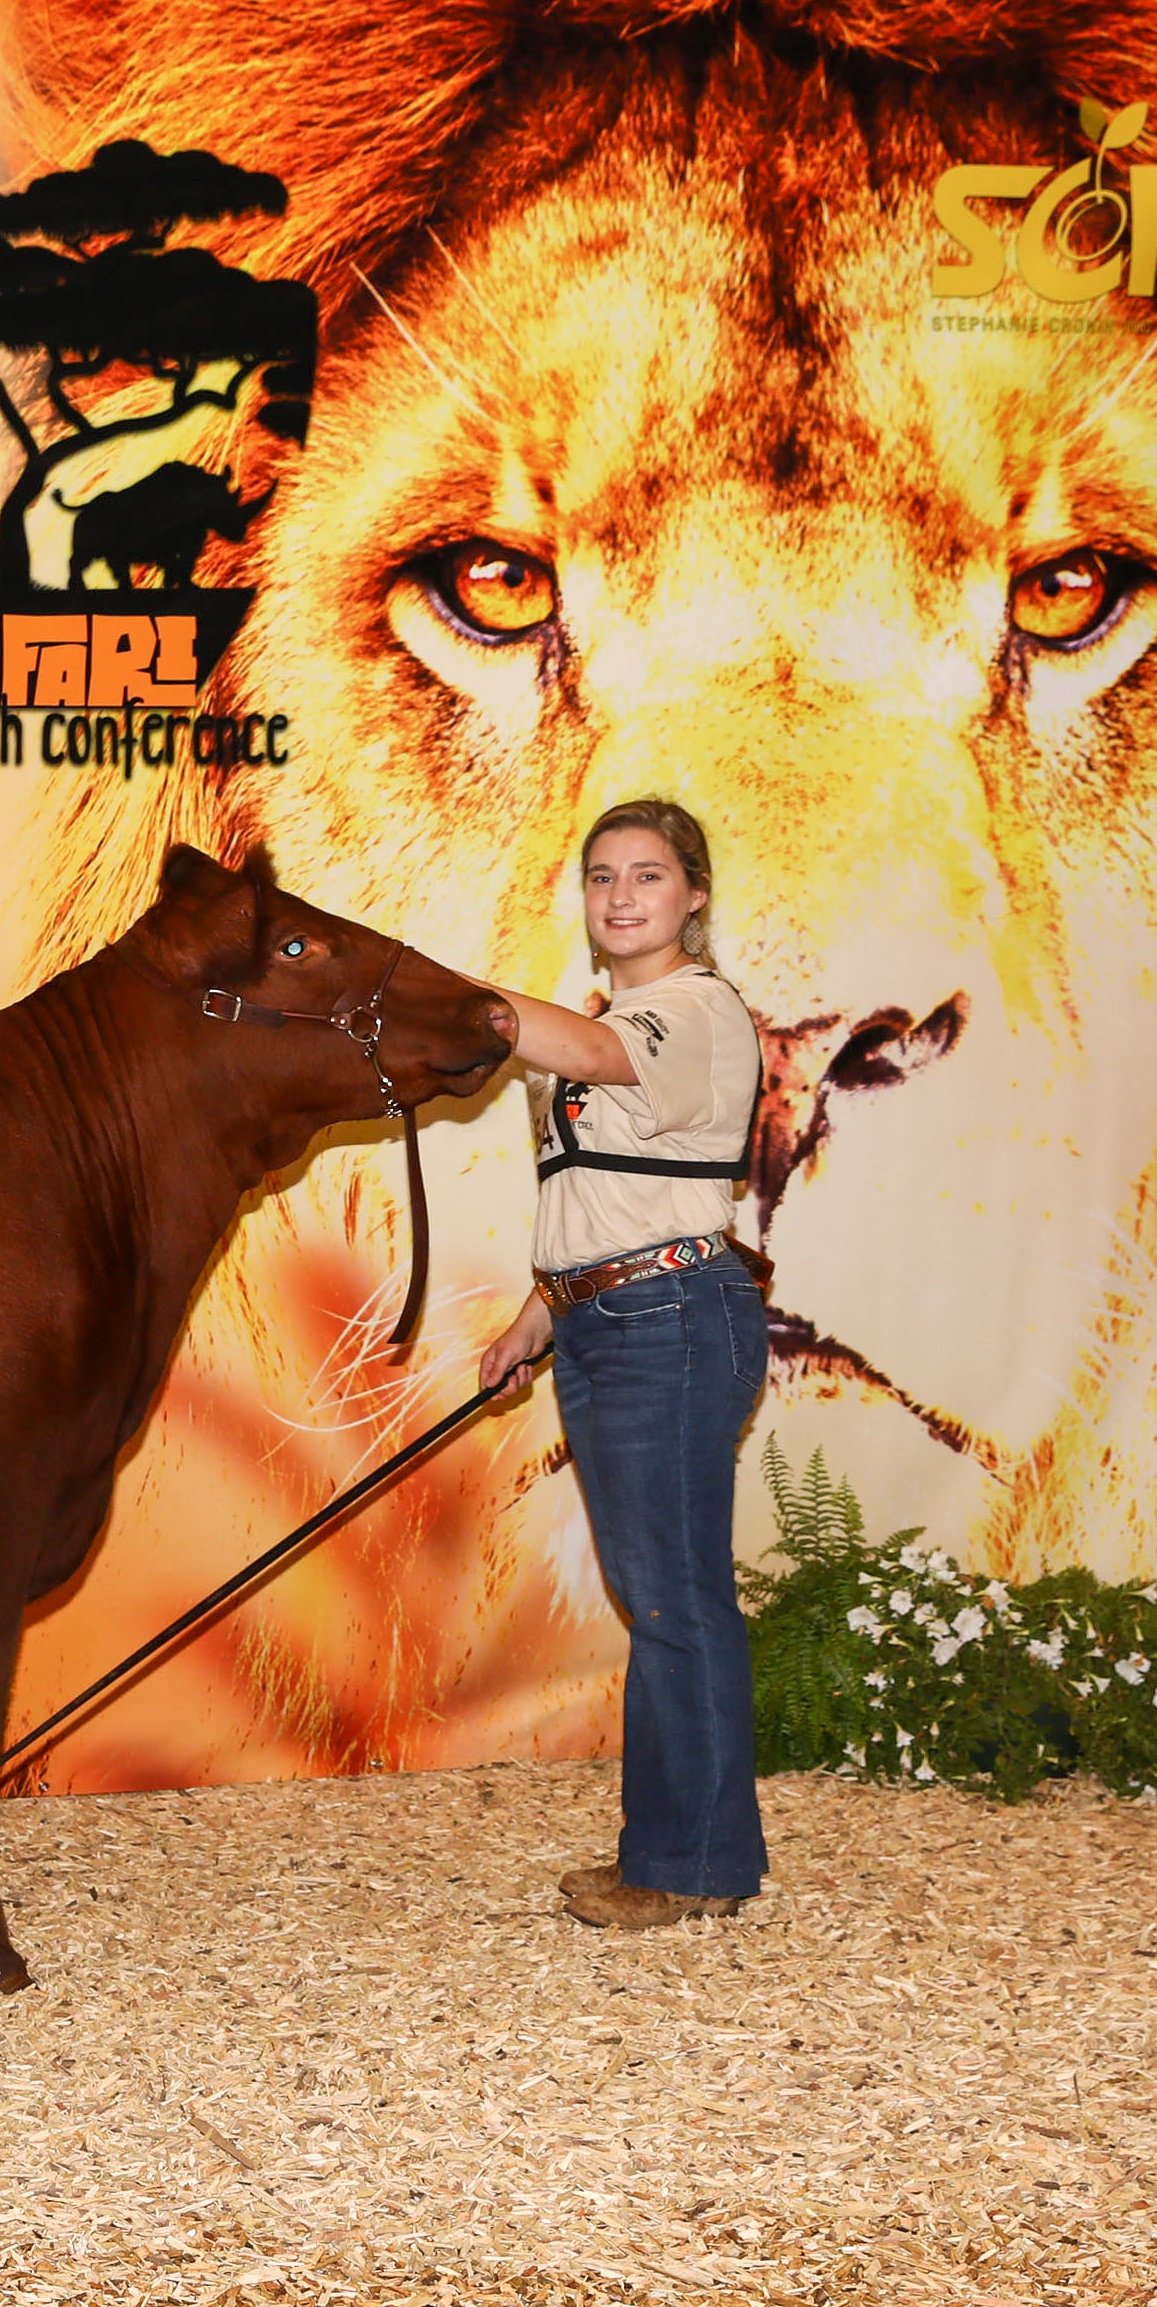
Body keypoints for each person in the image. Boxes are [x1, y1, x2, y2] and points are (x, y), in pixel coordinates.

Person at [474, 798, 768, 1931]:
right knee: (662, 1596)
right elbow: (604, 1200)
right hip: (612, 1317)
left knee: (675, 1599)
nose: (623, 895)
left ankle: (692, 1869)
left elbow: (591, 1052)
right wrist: (537, 1317)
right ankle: (678, 1852)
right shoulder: (608, 1020)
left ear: (693, 894)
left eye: (648, 875)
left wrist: (463, 1008)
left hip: (672, 1318)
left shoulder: (691, 1011)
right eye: (602, 878)